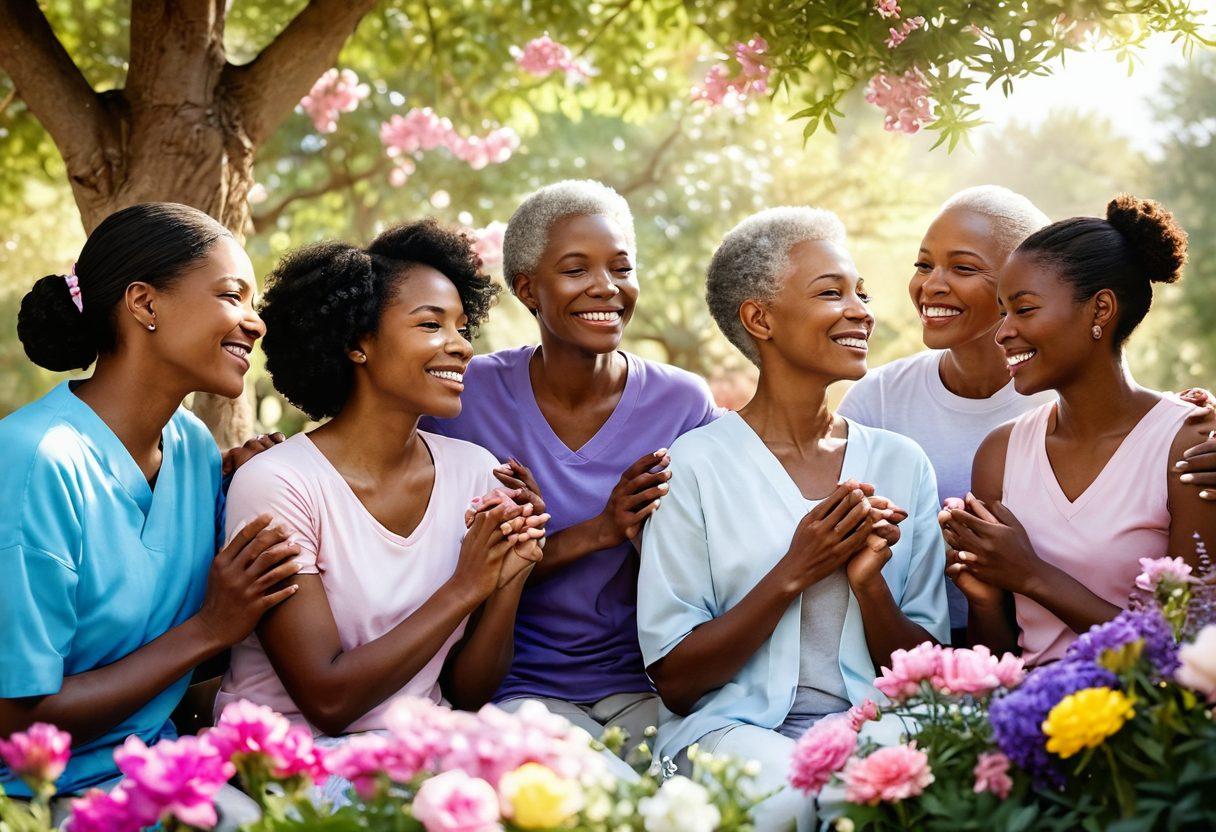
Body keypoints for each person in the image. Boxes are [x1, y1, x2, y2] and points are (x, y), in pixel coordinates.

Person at [637, 207, 949, 831]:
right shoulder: (694, 465)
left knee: (903, 783)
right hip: (731, 729)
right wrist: (796, 570)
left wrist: (869, 585)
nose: (861, 311)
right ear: (760, 319)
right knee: (783, 796)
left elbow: (929, 673)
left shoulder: (901, 461)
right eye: (832, 293)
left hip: (876, 719)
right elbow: (676, 680)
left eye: (862, 293)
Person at [216, 220, 546, 804]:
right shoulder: (278, 483)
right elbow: (329, 701)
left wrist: (510, 577)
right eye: (431, 324)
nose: (461, 345)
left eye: (462, 327)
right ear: (357, 343)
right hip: (295, 765)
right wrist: (469, 585)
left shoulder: (475, 471)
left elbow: (468, 692)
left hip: (423, 753)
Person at [0, 203, 298, 828]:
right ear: (144, 304)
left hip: (163, 772)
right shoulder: (34, 461)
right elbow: (17, 721)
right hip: (38, 801)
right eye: (232, 295)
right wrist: (211, 627)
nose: (256, 321)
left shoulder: (192, 449)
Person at [420, 180, 719, 776]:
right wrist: (598, 531)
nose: (606, 287)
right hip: (517, 692)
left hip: (650, 688)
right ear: (528, 288)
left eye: (621, 268)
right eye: (576, 269)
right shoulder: (466, 399)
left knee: (714, 797)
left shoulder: (683, 403)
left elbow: (710, 561)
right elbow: (441, 571)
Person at [944, 195, 1216, 665]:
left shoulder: (1189, 444)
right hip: (1026, 706)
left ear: (1100, 309)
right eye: (1003, 312)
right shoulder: (1001, 453)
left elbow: (1183, 649)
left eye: (1024, 309)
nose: (1003, 332)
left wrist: (1032, 575)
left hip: (1146, 709)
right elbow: (994, 663)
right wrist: (985, 599)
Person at [837, 186, 1055, 642]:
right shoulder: (877, 398)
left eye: (963, 268)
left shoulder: (1059, 397)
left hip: (1046, 648)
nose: (931, 285)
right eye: (923, 265)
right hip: (901, 647)